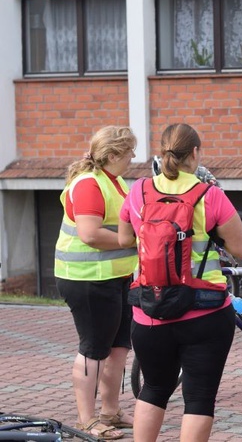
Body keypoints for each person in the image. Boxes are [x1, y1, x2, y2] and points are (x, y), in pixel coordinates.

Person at [118, 123, 242, 442]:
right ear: (194, 153)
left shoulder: (138, 191)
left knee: (154, 388)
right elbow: (241, 249)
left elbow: (124, 239)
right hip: (205, 311)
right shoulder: (210, 196)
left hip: (150, 310)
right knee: (199, 397)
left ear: (162, 152)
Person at [54, 126, 139, 440]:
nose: (133, 156)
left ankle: (110, 411)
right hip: (88, 280)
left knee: (117, 348)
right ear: (113, 154)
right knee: (93, 349)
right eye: (129, 150)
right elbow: (90, 235)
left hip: (114, 277)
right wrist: (134, 240)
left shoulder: (112, 180)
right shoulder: (89, 184)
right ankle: (87, 420)